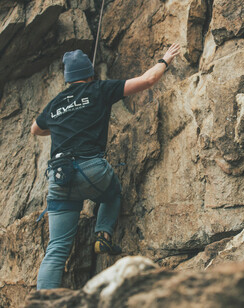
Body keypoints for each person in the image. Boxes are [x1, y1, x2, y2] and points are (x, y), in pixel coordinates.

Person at [31, 43, 180, 290]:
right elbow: (148, 80)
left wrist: (59, 124)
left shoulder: (56, 103)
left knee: (56, 249)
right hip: (91, 170)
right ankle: (103, 235)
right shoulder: (99, 89)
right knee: (112, 194)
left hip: (59, 178)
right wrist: (165, 59)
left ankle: (42, 302)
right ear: (89, 73)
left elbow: (36, 129)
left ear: (68, 79)